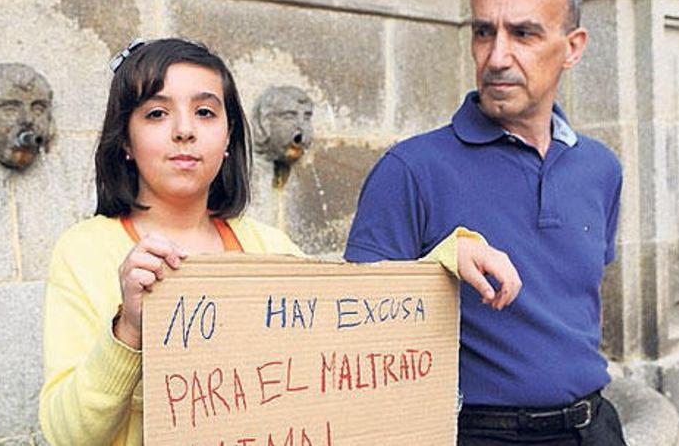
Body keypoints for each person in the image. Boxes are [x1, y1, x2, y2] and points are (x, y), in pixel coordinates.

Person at [38, 37, 473, 445]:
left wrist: (445, 262)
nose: (184, 130)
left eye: (205, 112)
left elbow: (355, 354)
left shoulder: (268, 247)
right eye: (157, 113)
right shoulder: (84, 252)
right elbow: (66, 434)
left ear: (229, 138)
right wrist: (128, 329)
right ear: (126, 141)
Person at [345, 0, 625, 446]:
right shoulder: (410, 170)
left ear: (573, 47)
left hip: (595, 428)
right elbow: (352, 328)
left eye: (523, 34)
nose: (496, 57)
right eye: (482, 32)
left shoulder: (601, 168)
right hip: (476, 433)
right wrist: (438, 264)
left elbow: (584, 302)